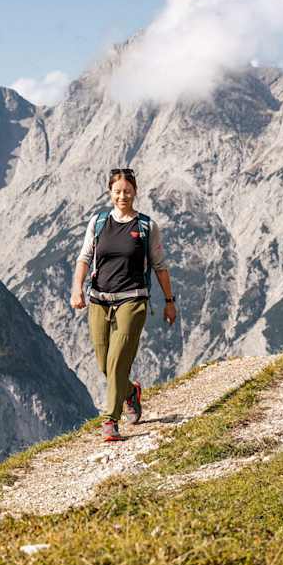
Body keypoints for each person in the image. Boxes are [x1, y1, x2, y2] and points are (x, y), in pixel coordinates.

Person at [70, 168, 177, 442]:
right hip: (99, 300)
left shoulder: (146, 226)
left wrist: (169, 301)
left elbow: (160, 266)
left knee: (117, 362)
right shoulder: (98, 222)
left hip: (133, 299)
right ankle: (130, 392)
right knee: (104, 363)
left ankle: (110, 421)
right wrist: (77, 288)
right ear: (110, 193)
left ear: (135, 192)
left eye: (127, 191)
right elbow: (85, 257)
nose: (122, 196)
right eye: (117, 192)